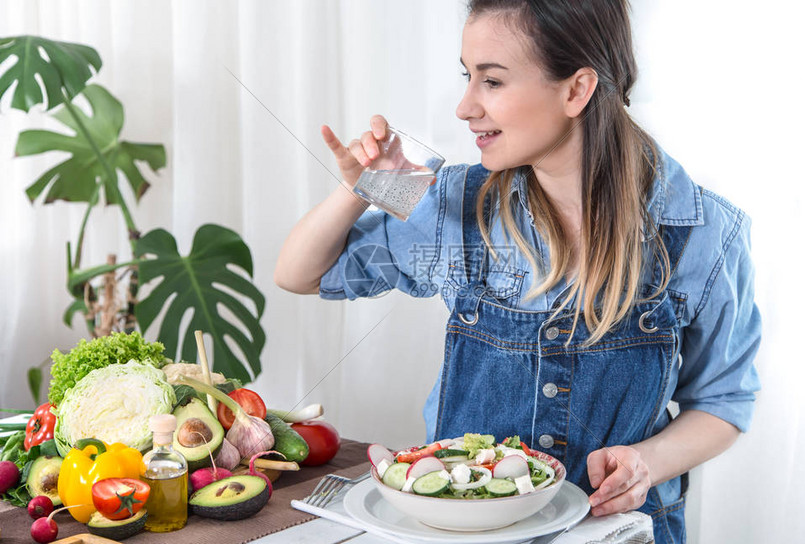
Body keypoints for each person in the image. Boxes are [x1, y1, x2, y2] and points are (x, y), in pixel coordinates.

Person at [275, 1, 760, 542]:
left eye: (492, 81)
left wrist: (646, 461)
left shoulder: (704, 229)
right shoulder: (454, 200)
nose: (464, 107)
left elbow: (723, 401)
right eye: (468, 77)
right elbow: (300, 273)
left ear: (577, 90)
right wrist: (357, 187)